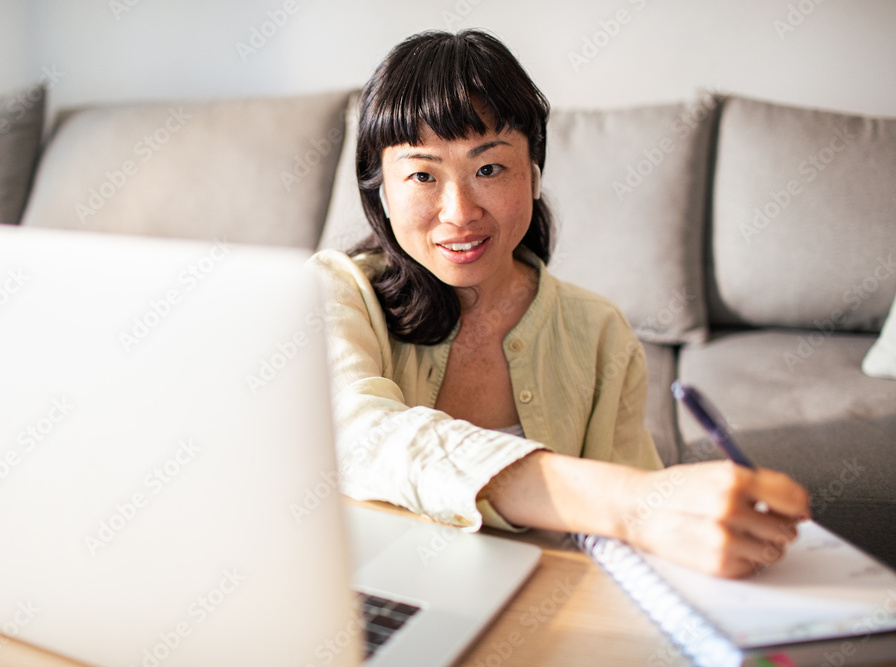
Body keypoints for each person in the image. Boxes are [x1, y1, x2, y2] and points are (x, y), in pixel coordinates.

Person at [308, 29, 809, 578]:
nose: (459, 211)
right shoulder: (337, 292)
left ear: (535, 174)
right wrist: (631, 502)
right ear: (381, 190)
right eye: (423, 175)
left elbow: (633, 552)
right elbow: (355, 435)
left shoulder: (599, 332)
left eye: (489, 169)